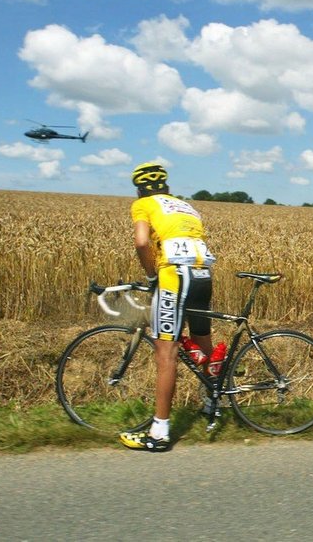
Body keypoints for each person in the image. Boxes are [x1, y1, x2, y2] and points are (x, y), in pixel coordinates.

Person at [119, 162, 216, 452]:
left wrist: (152, 276)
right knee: (202, 341)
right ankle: (212, 403)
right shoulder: (186, 207)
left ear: (139, 188)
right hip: (203, 274)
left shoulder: (143, 204)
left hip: (175, 276)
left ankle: (159, 432)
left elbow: (141, 242)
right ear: (167, 187)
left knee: (166, 353)